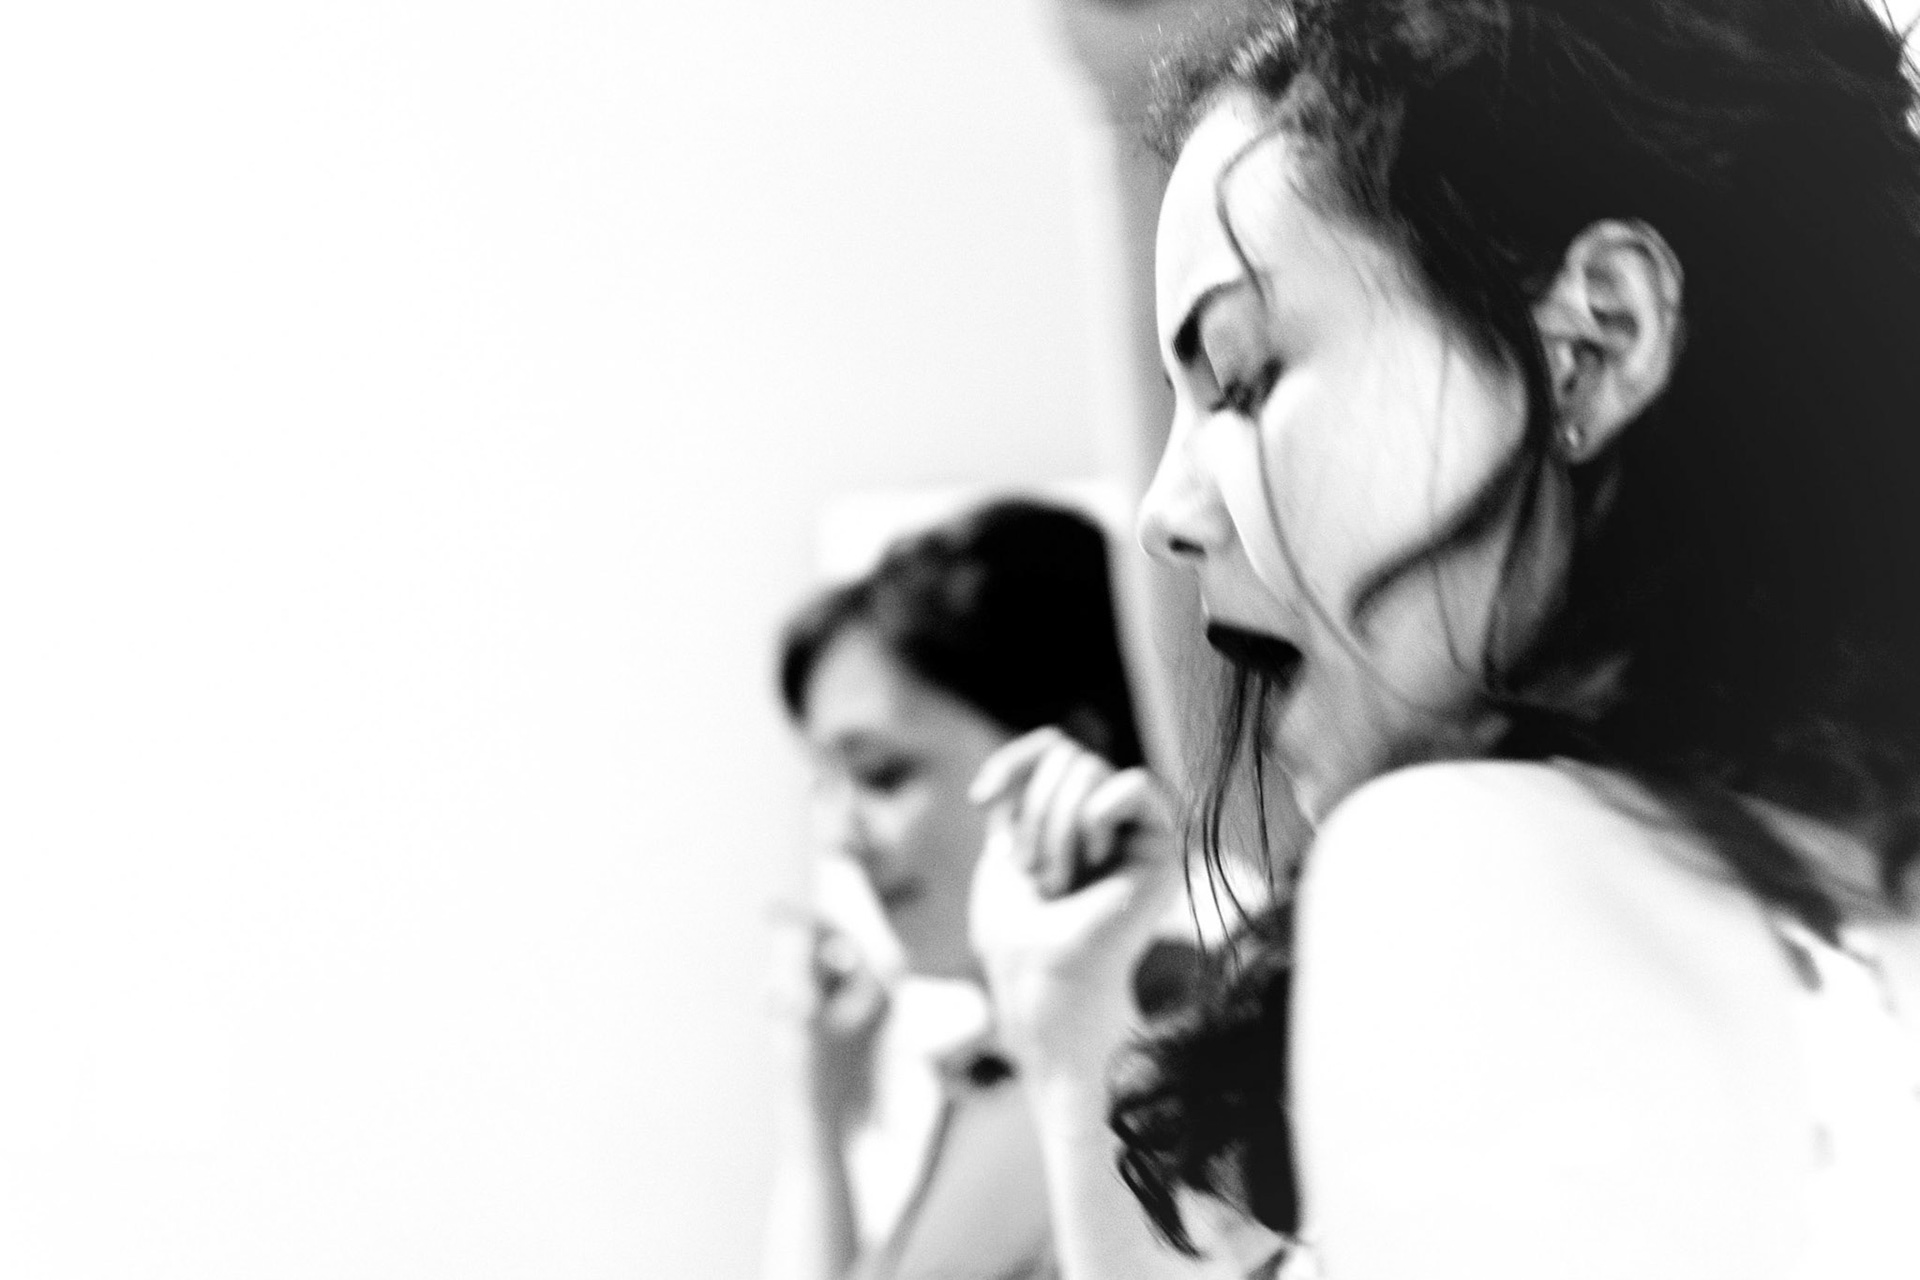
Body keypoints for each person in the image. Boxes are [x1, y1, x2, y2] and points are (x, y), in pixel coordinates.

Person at [969, 2, 1920, 1278]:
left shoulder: (1461, 867)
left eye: (1242, 377)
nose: (1163, 513)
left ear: (1590, 341)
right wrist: (1076, 1034)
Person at [760, 497, 1149, 1280]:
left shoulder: (1136, 1082)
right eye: (826, 784)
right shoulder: (992, 1079)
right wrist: (818, 1118)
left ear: (1069, 752)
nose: (838, 835)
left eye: (880, 774)